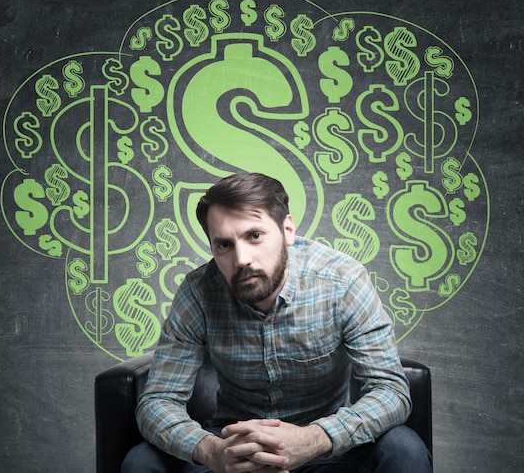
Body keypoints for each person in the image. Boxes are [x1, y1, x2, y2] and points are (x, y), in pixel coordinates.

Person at [123, 172, 432, 473]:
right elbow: (157, 403)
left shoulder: (343, 281)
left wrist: (314, 438)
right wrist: (213, 452)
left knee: (404, 449)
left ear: (287, 230)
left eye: (254, 235)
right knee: (142, 462)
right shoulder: (198, 292)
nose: (242, 258)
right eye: (224, 245)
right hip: (233, 449)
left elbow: (391, 390)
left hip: (325, 448)